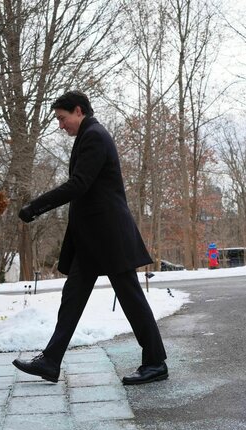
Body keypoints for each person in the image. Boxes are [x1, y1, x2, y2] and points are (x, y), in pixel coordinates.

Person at [13, 91, 168, 385]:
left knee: (131, 298)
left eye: (62, 118)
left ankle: (155, 362)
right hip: (92, 240)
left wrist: (36, 207)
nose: (61, 125)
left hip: (109, 237)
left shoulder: (95, 135)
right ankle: (50, 361)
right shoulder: (88, 135)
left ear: (78, 110)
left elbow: (79, 184)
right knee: (72, 298)